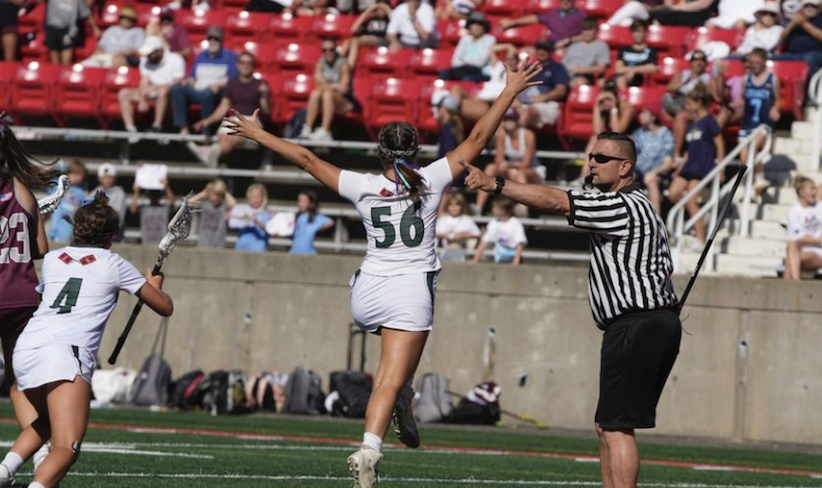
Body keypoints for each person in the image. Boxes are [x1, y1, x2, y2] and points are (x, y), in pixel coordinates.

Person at [225, 58, 541, 488]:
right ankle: (370, 448)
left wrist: (257, 132)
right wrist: (509, 91)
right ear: (416, 150)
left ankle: (403, 399)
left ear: (380, 152)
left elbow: (303, 156)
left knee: (394, 366)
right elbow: (480, 136)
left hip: (367, 290)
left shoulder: (361, 185)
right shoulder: (430, 178)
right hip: (410, 290)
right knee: (390, 378)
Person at [460, 131, 681, 488]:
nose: (591, 163)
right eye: (591, 156)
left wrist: (494, 183)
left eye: (602, 159)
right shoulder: (638, 204)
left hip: (637, 323)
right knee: (607, 423)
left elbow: (559, 202)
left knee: (617, 426)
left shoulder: (620, 207)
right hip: (650, 322)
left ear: (625, 167)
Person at [0, 192, 173, 488]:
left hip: (28, 346)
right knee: (67, 446)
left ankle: (4, 472)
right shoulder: (114, 263)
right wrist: (155, 285)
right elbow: (164, 307)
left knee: (46, 420)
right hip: (65, 353)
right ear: (112, 236)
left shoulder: (54, 259)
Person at [0, 121, 52, 471]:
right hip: (21, 298)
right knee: (20, 382)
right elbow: (41, 249)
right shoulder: (22, 190)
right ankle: (41, 452)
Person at [188, 52, 271, 167]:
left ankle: (208, 155)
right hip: (234, 118)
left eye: (249, 63)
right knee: (224, 138)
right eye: (242, 62)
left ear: (253, 66)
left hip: (252, 120)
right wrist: (207, 121)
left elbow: (266, 111)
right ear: (237, 65)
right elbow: (224, 106)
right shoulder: (231, 84)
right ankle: (213, 158)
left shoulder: (261, 85)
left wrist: (265, 95)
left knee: (235, 136)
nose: (245, 66)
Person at [667, 84, 724, 244]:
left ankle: (700, 240)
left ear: (699, 102)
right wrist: (679, 168)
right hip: (689, 165)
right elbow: (689, 150)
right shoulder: (692, 124)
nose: (687, 106)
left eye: (690, 103)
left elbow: (719, 143)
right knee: (673, 193)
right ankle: (699, 216)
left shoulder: (709, 121)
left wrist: (720, 167)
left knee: (691, 200)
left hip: (702, 167)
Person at [170, 26, 239, 136]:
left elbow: (233, 80)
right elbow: (193, 78)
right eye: (210, 39)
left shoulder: (229, 57)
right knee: (177, 89)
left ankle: (206, 129)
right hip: (198, 90)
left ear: (221, 41)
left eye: (216, 39)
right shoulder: (201, 56)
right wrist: (187, 82)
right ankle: (183, 127)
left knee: (208, 93)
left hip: (217, 92)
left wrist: (220, 86)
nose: (213, 42)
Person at [475, 109, 541, 213]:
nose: (509, 122)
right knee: (491, 167)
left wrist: (509, 164)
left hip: (532, 171)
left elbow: (526, 163)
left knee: (521, 173)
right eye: (507, 119)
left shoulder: (528, 135)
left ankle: (522, 207)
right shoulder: (502, 135)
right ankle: (478, 207)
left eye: (512, 119)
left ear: (517, 120)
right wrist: (503, 165)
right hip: (513, 170)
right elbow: (498, 159)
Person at [118, 36, 186, 136]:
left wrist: (157, 87)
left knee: (162, 91)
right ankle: (130, 129)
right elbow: (144, 81)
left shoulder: (176, 59)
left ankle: (157, 125)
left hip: (168, 93)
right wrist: (142, 100)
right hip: (151, 90)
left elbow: (177, 81)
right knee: (124, 93)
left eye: (151, 53)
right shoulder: (145, 61)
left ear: (159, 51)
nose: (149, 56)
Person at [735, 48, 779, 195]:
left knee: (753, 148)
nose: (754, 65)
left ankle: (760, 179)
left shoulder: (772, 79)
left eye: (757, 62)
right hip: (747, 123)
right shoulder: (745, 79)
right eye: (751, 62)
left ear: (764, 62)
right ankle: (752, 189)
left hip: (763, 123)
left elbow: (778, 100)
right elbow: (742, 99)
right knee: (744, 160)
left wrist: (775, 109)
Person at [298, 38, 357, 142]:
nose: (328, 52)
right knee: (315, 93)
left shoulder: (343, 64)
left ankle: (325, 131)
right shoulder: (320, 63)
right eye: (325, 50)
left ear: (336, 50)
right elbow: (317, 85)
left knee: (327, 94)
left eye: (331, 49)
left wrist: (326, 86)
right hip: (327, 97)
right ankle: (307, 128)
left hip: (344, 102)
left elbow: (343, 89)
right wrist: (333, 87)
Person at [577, 81, 636, 183]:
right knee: (594, 139)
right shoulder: (603, 109)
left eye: (608, 100)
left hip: (629, 141)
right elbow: (597, 131)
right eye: (603, 100)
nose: (606, 103)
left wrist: (613, 108)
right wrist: (596, 107)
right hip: (614, 141)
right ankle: (584, 177)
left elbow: (618, 131)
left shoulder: (627, 107)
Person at [663, 50, 712, 160]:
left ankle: (677, 153)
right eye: (696, 59)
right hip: (680, 103)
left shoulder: (707, 78)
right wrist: (684, 82)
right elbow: (669, 88)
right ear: (691, 62)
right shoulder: (683, 74)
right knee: (666, 99)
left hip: (695, 108)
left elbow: (710, 96)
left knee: (680, 116)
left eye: (702, 59)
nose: (699, 62)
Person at [515, 40, 570, 130]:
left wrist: (542, 98)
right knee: (506, 112)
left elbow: (561, 91)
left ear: (551, 52)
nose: (542, 52)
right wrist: (516, 100)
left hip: (547, 104)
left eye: (546, 49)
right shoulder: (530, 68)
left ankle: (519, 141)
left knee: (527, 113)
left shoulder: (557, 68)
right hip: (525, 102)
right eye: (539, 49)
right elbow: (518, 87)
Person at [632, 107, 675, 213]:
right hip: (639, 172)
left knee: (651, 180)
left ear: (653, 116)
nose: (640, 115)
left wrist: (654, 172)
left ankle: (655, 220)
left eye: (644, 112)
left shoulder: (666, 134)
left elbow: (668, 162)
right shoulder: (639, 133)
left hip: (659, 173)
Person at [499, 0, 586, 50]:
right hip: (552, 44)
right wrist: (513, 22)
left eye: (569, 0)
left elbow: (587, 33)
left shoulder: (581, 15)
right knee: (526, 51)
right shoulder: (553, 13)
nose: (566, 2)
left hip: (571, 44)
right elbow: (535, 18)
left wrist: (569, 40)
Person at [784, 176, 822, 280]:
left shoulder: (819, 206)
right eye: (811, 189)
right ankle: (795, 284)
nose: (815, 192)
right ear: (802, 192)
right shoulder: (794, 211)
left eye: (815, 189)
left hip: (818, 251)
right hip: (801, 251)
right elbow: (800, 238)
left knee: (790, 258)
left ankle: (792, 287)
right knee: (792, 251)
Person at [439, 12, 495, 82]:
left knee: (467, 78)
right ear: (469, 26)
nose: (476, 26)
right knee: (444, 74)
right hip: (462, 69)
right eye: (473, 23)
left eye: (480, 23)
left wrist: (463, 59)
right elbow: (455, 60)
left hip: (480, 72)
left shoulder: (490, 39)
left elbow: (480, 62)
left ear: (485, 26)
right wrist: (465, 62)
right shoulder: (465, 38)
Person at [774, 0, 822, 80]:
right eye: (807, 6)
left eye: (813, 6)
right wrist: (792, 24)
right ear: (802, 8)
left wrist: (804, 24)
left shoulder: (820, 20)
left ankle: (807, 88)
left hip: (814, 53)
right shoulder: (793, 22)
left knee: (809, 59)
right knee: (773, 59)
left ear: (818, 9)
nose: (810, 9)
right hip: (792, 54)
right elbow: (780, 41)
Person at [471, 197, 527, 264]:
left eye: (495, 207)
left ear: (504, 210)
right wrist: (476, 259)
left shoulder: (515, 223)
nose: (493, 209)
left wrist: (515, 263)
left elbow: (520, 244)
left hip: (512, 257)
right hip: (499, 259)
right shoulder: (493, 223)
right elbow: (484, 242)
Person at [44, 0, 100, 65]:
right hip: (52, 28)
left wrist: (95, 28)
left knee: (66, 61)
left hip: (67, 30)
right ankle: (55, 74)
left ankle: (65, 73)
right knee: (54, 61)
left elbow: (85, 13)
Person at [563, 17, 610, 89]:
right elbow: (564, 65)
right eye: (585, 30)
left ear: (595, 31)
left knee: (578, 82)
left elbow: (602, 68)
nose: (587, 33)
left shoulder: (601, 45)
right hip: (568, 76)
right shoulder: (573, 46)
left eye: (590, 30)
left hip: (586, 77)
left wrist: (580, 69)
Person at [47, 159, 87, 243]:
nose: (78, 177)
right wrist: (54, 167)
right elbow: (41, 176)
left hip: (71, 232)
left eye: (80, 174)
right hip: (56, 232)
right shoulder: (57, 185)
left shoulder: (81, 192)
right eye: (74, 173)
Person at [343, 0, 392, 67]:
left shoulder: (388, 20)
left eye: (383, 9)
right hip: (365, 38)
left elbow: (395, 20)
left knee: (355, 41)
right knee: (347, 42)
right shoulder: (370, 19)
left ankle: (349, 67)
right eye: (378, 9)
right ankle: (338, 63)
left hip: (379, 39)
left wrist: (387, 9)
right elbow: (353, 28)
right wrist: (369, 9)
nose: (380, 11)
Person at [611, 20, 657, 90]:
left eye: (640, 32)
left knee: (621, 79)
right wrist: (631, 70)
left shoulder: (650, 50)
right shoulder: (624, 49)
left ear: (645, 33)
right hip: (623, 76)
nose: (637, 35)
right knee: (618, 79)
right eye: (635, 32)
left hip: (639, 78)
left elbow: (652, 67)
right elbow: (618, 69)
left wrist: (634, 71)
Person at [190, 179, 236, 248]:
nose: (215, 198)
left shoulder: (223, 206)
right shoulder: (204, 205)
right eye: (213, 194)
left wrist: (225, 192)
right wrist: (203, 193)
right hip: (203, 244)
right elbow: (189, 203)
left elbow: (233, 203)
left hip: (219, 245)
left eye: (218, 195)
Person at [436, 191, 480, 262]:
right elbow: (435, 233)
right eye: (451, 205)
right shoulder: (443, 219)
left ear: (461, 206)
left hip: (462, 248)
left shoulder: (466, 219)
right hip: (444, 248)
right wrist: (444, 235)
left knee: (455, 247)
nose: (454, 208)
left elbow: (477, 234)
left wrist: (463, 235)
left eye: (457, 205)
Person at [129, 178, 175, 247]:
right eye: (152, 194)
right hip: (146, 243)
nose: (154, 196)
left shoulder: (164, 208)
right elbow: (133, 209)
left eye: (157, 194)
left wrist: (166, 187)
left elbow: (172, 203)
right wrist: (136, 192)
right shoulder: (144, 208)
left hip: (161, 244)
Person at [228, 182, 271, 252]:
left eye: (258, 196)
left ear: (263, 198)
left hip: (258, 249)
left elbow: (269, 229)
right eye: (253, 196)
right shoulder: (242, 211)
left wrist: (257, 222)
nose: (255, 199)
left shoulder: (267, 214)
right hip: (242, 247)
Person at [290, 190, 335, 255]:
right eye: (299, 201)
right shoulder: (297, 216)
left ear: (310, 203)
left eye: (303, 201)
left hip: (308, 253)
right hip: (294, 252)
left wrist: (317, 228)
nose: (300, 204)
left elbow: (330, 222)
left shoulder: (316, 217)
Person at [87, 163, 127, 236]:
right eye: (104, 177)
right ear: (99, 179)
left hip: (113, 234)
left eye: (110, 177)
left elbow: (118, 215)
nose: (107, 180)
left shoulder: (120, 193)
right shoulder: (94, 192)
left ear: (115, 178)